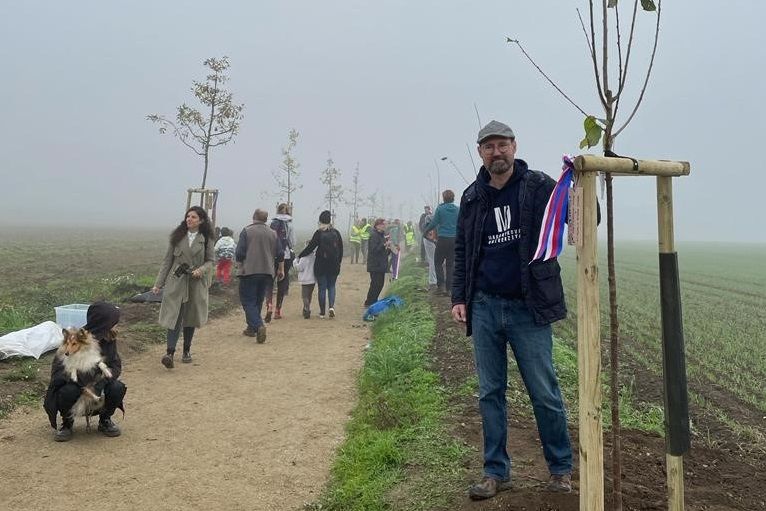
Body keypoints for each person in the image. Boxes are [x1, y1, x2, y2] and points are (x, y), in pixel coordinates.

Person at [452, 120, 573, 500]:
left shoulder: (538, 187)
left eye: (502, 144)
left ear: (515, 146)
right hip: (485, 307)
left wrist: (582, 184)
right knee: (490, 393)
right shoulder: (472, 197)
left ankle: (560, 470)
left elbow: (583, 219)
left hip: (528, 307)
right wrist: (459, 297)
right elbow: (462, 251)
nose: (497, 152)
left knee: (544, 392)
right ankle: (495, 471)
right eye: (489, 147)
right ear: (480, 153)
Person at [43, 301, 127, 441]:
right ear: (103, 323)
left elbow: (115, 366)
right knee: (68, 391)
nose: (116, 325)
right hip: (75, 386)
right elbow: (58, 374)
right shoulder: (73, 340)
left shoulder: (109, 338)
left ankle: (105, 420)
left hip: (98, 387)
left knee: (117, 388)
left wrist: (99, 384)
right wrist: (82, 383)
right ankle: (67, 423)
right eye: (113, 322)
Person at [152, 206, 215, 368]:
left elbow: (210, 261)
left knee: (190, 317)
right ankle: (169, 353)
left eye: (193, 217)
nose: (189, 219)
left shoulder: (206, 238)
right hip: (177, 281)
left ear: (201, 220)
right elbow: (167, 261)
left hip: (195, 283)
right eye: (188, 216)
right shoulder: (177, 236)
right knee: (174, 317)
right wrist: (159, 284)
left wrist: (201, 270)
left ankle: (186, 350)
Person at [236, 209, 285, 343]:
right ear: (266, 219)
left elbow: (240, 253)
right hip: (267, 272)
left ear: (253, 217)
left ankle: (258, 326)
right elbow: (280, 253)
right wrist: (280, 269)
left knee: (248, 300)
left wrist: (241, 264)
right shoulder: (273, 234)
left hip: (249, 271)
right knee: (258, 299)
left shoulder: (246, 231)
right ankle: (251, 328)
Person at [298, 210, 343, 319]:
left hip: (321, 265)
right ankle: (331, 307)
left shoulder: (318, 233)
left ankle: (322, 312)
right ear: (330, 220)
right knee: (332, 286)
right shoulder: (336, 233)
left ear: (320, 221)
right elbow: (341, 250)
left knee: (322, 288)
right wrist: (338, 262)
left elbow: (310, 248)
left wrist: (300, 255)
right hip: (334, 265)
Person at [423, 190, 459, 295]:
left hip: (443, 239)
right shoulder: (458, 209)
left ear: (444, 198)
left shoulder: (440, 209)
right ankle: (449, 289)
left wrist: (425, 232)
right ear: (453, 198)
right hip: (454, 239)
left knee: (437, 262)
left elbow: (433, 223)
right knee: (450, 264)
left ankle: (441, 285)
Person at [265, 203, 296, 321]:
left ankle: (269, 305)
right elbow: (293, 242)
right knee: (282, 281)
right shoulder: (290, 225)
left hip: (271, 256)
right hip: (285, 256)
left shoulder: (270, 223)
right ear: (289, 212)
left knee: (269, 281)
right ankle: (278, 310)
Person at [364, 218, 392, 307]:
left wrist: (390, 248)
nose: (385, 226)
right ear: (378, 225)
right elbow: (373, 249)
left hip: (382, 264)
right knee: (375, 284)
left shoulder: (383, 235)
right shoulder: (374, 235)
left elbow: (385, 252)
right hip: (375, 264)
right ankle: (370, 302)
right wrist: (384, 245)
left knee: (380, 284)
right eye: (383, 224)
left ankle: (373, 301)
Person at [294, 242, 316, 319]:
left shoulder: (303, 258)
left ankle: (307, 308)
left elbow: (299, 268)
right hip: (312, 279)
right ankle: (306, 308)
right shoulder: (314, 257)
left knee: (304, 296)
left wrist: (295, 262)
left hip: (305, 280)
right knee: (309, 295)